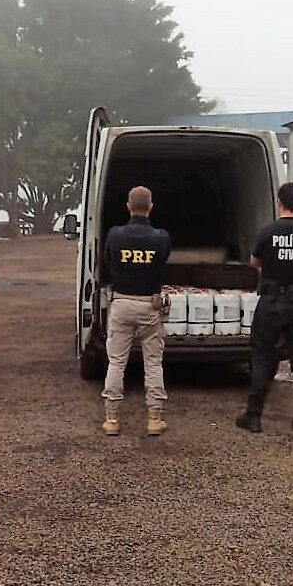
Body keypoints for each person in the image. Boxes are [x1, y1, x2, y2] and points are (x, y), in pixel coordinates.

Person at [237, 182, 293, 434]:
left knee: (262, 357)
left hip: (272, 303)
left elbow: (254, 262)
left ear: (279, 202)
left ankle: (253, 416)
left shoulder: (268, 231)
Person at [100, 186, 172, 437]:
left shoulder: (115, 235)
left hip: (121, 303)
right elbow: (162, 264)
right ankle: (154, 419)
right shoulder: (161, 237)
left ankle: (112, 419)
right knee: (153, 363)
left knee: (116, 362)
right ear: (150, 207)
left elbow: (108, 262)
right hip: (149, 305)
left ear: (128, 207)